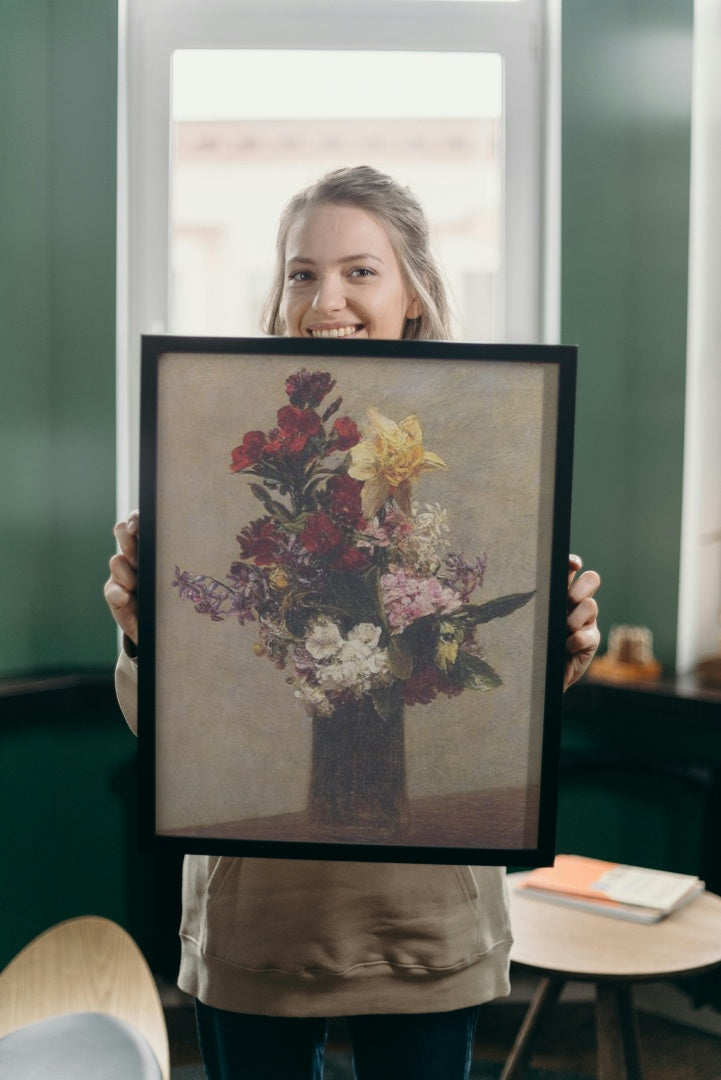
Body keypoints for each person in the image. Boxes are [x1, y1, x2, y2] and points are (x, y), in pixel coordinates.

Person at [105, 166, 601, 1080]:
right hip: (259, 917)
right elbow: (173, 732)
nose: (324, 298)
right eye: (301, 272)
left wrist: (558, 652)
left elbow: (484, 713)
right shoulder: (209, 450)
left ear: (413, 291)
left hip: (424, 917)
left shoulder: (492, 450)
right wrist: (144, 638)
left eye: (359, 271)